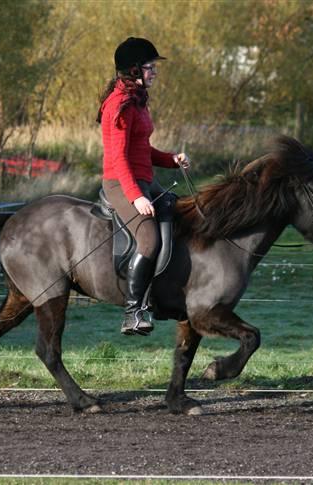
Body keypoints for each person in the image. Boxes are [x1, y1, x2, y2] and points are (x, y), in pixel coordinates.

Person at [97, 37, 190, 336]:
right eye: (151, 67)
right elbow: (118, 158)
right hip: (120, 183)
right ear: (134, 69)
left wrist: (172, 160)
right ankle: (133, 312)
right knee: (148, 240)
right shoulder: (120, 106)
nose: (155, 73)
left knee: (176, 211)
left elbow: (142, 150)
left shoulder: (136, 101)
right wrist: (136, 197)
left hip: (144, 179)